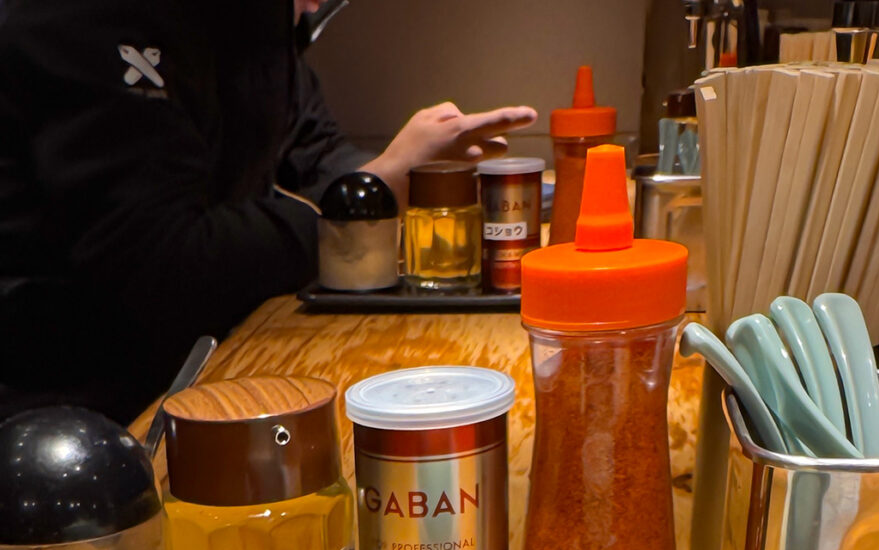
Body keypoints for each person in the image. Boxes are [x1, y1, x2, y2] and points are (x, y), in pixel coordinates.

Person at [0, 0, 536, 423]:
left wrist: (385, 181)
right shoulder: (85, 17)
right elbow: (164, 261)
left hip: (209, 365)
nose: (315, 6)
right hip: (72, 411)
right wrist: (375, 190)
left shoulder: (247, 23)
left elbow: (315, 150)